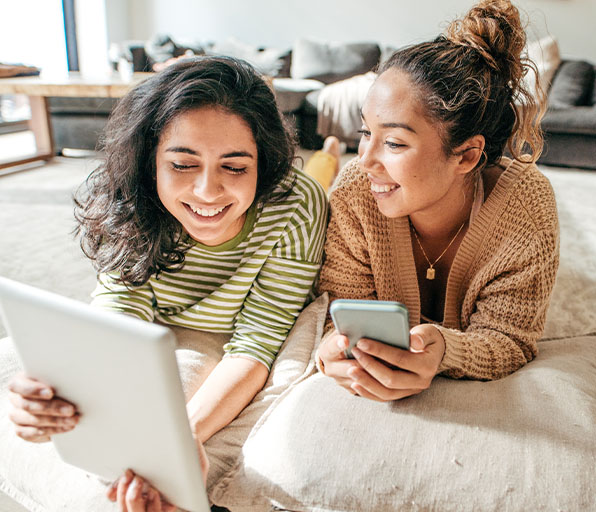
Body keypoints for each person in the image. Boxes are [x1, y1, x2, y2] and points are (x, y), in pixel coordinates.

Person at [7, 55, 329, 510]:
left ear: (263, 162)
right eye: (182, 164)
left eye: (235, 167)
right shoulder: (129, 199)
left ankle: (329, 155)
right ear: (149, 161)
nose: (207, 192)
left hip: (245, 302)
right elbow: (117, 313)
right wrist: (58, 397)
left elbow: (256, 342)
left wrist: (177, 444)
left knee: (323, 174)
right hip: (165, 317)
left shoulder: (294, 204)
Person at [316, 0, 559, 401]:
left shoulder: (526, 209)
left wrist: (447, 350)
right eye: (364, 132)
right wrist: (332, 350)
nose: (365, 160)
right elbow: (337, 310)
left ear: (466, 155)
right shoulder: (355, 193)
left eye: (394, 142)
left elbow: (511, 338)